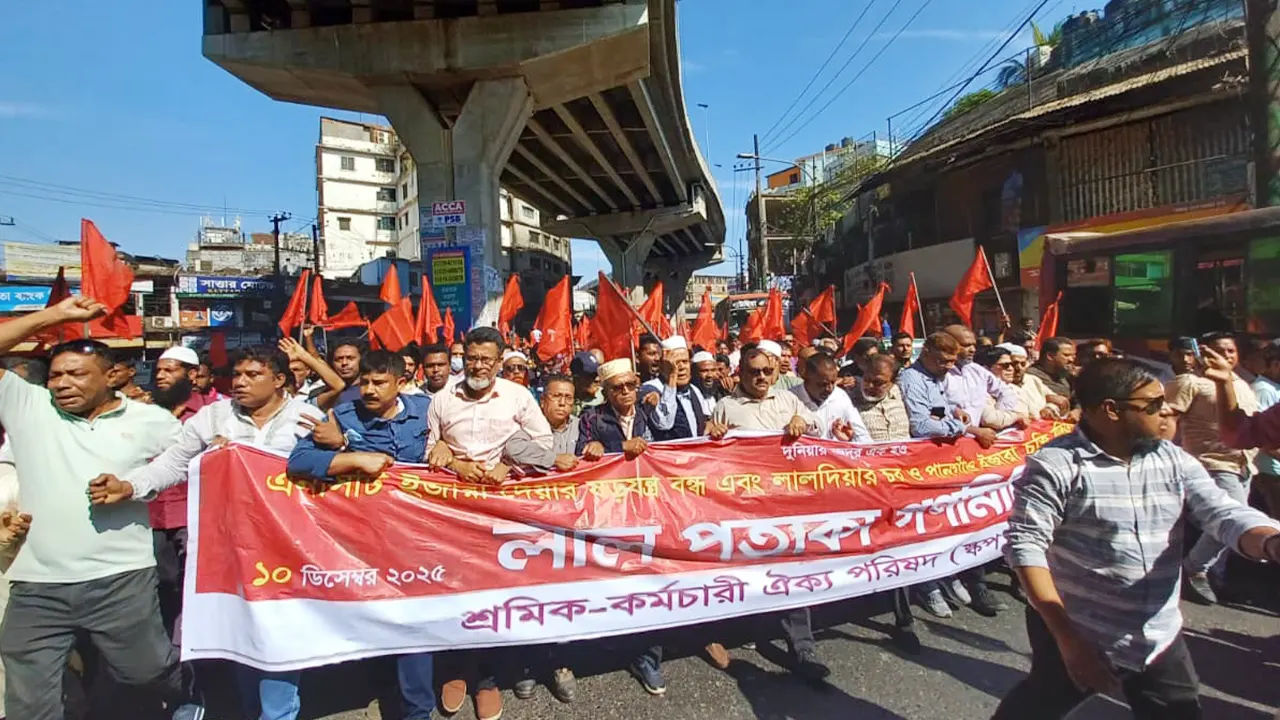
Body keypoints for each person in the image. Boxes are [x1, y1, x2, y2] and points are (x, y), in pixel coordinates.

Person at [994, 358, 1280, 720]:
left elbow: (1222, 513)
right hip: (1077, 628)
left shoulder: (1172, 458)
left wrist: (1269, 541)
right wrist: (1069, 641)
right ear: (1110, 410)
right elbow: (1026, 547)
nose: (1170, 411)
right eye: (1154, 405)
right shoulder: (1057, 465)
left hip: (1157, 633)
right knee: (1038, 705)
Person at [95, 345, 321, 720]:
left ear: (279, 380)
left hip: (287, 546)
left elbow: (336, 471)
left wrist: (335, 444)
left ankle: (277, 713)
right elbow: (172, 464)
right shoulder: (214, 418)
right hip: (228, 546)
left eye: (253, 375)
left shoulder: (308, 418)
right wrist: (130, 487)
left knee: (279, 636)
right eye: (237, 375)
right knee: (244, 633)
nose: (241, 383)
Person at [0, 296, 198, 720]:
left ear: (111, 377)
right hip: (37, 587)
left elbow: (191, 466)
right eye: (55, 375)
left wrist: (133, 488)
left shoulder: (152, 421)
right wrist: (56, 316)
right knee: (29, 699)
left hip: (121, 580)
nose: (61, 384)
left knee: (145, 672)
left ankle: (189, 694)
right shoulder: (27, 407)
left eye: (76, 374)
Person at [287, 350, 439, 720]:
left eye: (379, 383)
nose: (368, 390)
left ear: (401, 384)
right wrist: (350, 458)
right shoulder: (342, 415)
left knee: (413, 621)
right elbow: (298, 461)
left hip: (419, 534)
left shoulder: (428, 410)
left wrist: (443, 446)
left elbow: (450, 441)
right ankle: (379, 678)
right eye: (364, 382)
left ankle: (418, 710)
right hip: (362, 536)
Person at [425, 327, 552, 720]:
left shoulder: (518, 397)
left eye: (486, 359)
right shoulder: (441, 399)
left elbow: (544, 446)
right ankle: (457, 669)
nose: (477, 366)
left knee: (496, 593)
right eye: (471, 358)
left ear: (500, 362)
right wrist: (452, 459)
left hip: (503, 508)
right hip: (454, 509)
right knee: (455, 589)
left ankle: (488, 679)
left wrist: (508, 467)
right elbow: (429, 450)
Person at [709, 347, 829, 683]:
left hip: (787, 504)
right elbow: (710, 454)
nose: (761, 377)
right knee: (749, 574)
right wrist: (713, 435)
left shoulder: (788, 401)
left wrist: (802, 421)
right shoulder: (726, 407)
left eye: (766, 371)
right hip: (745, 507)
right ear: (741, 375)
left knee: (790, 573)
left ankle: (803, 650)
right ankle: (743, 629)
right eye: (753, 372)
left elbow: (819, 425)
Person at [575, 360, 669, 694]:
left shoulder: (649, 412)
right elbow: (580, 454)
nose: (626, 392)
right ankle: (616, 643)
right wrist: (609, 450)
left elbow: (675, 444)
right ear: (605, 391)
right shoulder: (591, 417)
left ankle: (648, 655)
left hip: (651, 507)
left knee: (651, 580)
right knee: (616, 581)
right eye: (618, 387)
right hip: (611, 511)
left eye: (631, 385)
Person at [896, 332, 1001, 618]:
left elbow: (935, 412)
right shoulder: (911, 380)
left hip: (940, 463)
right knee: (922, 525)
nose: (947, 367)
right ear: (926, 352)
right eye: (942, 361)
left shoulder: (936, 378)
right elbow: (920, 424)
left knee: (943, 521)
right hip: (918, 464)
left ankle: (945, 573)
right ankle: (926, 583)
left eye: (951, 362)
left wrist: (952, 413)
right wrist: (966, 429)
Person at [1163, 332, 1258, 605]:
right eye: (1218, 351)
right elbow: (1168, 421)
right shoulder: (1190, 382)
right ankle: (1193, 568)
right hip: (1212, 463)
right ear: (1204, 354)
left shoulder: (1242, 383)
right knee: (1233, 519)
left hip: (1243, 465)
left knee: (1226, 523)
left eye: (1230, 351)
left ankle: (1217, 577)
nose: (1226, 356)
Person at [943, 324, 1023, 432]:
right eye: (966, 345)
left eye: (973, 345)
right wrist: (972, 430)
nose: (972, 349)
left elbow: (1006, 392)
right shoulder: (937, 374)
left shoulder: (976, 371)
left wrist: (1000, 417)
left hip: (979, 441)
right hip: (951, 441)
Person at [643, 337, 715, 442]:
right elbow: (664, 423)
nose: (681, 367)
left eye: (685, 362)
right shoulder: (650, 389)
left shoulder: (694, 390)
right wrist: (672, 377)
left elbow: (701, 428)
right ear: (662, 365)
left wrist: (712, 428)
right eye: (675, 363)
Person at [791, 352, 870, 442]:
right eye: (823, 384)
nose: (830, 389)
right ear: (806, 377)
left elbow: (864, 438)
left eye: (833, 382)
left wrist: (850, 438)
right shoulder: (789, 398)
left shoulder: (840, 397)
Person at [1027, 337, 1076, 404]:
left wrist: (1077, 409)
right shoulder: (1031, 375)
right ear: (1050, 356)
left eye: (1073, 356)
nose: (1071, 360)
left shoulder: (1065, 376)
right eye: (1066, 355)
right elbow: (1061, 393)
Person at [329, 339, 364, 405]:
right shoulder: (325, 393)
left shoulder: (369, 392)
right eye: (339, 359)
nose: (344, 363)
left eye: (350, 358)